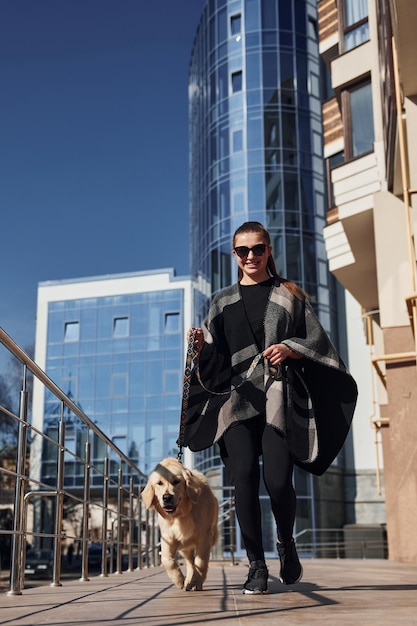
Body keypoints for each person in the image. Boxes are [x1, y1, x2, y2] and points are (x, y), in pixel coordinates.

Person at [182, 221, 357, 595]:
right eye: (242, 251)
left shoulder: (288, 294)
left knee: (278, 482)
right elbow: (215, 363)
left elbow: (318, 342)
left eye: (257, 249)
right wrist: (201, 345)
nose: (250, 257)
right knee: (242, 477)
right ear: (234, 255)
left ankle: (286, 543)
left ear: (268, 250)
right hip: (236, 402)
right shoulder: (221, 301)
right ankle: (257, 565)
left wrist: (291, 347)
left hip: (279, 398)